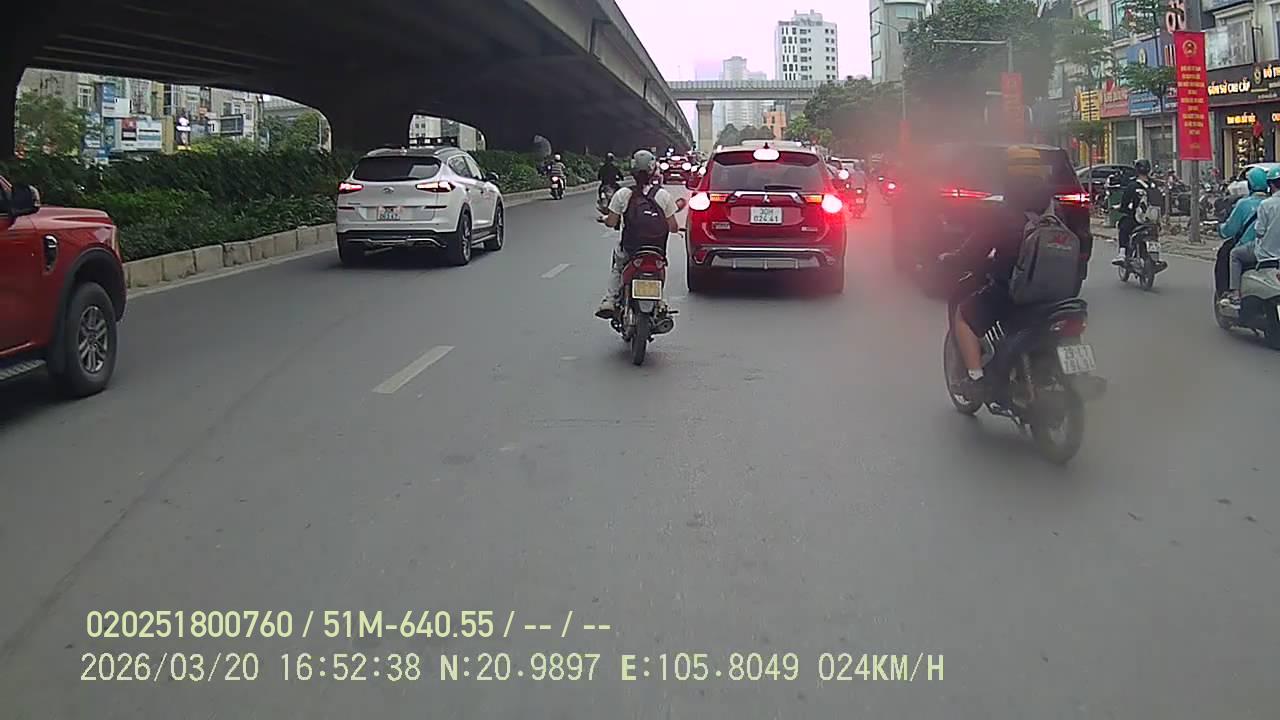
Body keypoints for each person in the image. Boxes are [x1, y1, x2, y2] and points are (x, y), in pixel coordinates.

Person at [945, 176, 1063, 401]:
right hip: (1056, 294)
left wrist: (952, 258)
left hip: (1013, 293)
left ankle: (975, 379)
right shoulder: (1055, 215)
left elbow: (974, 250)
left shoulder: (1003, 217)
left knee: (964, 316)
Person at [595, 150, 682, 318]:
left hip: (631, 249)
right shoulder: (663, 195)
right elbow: (673, 227)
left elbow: (612, 222)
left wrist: (605, 219)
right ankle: (660, 301)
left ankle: (610, 300)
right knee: (660, 268)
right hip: (656, 250)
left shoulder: (623, 194)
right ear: (653, 170)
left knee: (618, 265)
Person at [1222, 166, 1280, 310]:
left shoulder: (1252, 204)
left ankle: (1235, 293)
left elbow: (1257, 231)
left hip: (1263, 251)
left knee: (1234, 254)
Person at [1216, 166, 1269, 298]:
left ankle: (1232, 292)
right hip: (1272, 248)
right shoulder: (1273, 203)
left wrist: (1220, 228)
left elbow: (1229, 230)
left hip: (1251, 247)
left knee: (1230, 254)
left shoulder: (1243, 204)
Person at [1114, 159, 1156, 265]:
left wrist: (1122, 209)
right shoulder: (1154, 186)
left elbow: (1124, 204)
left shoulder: (1132, 186)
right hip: (1153, 222)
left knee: (1123, 226)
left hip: (1136, 220)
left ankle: (1122, 253)